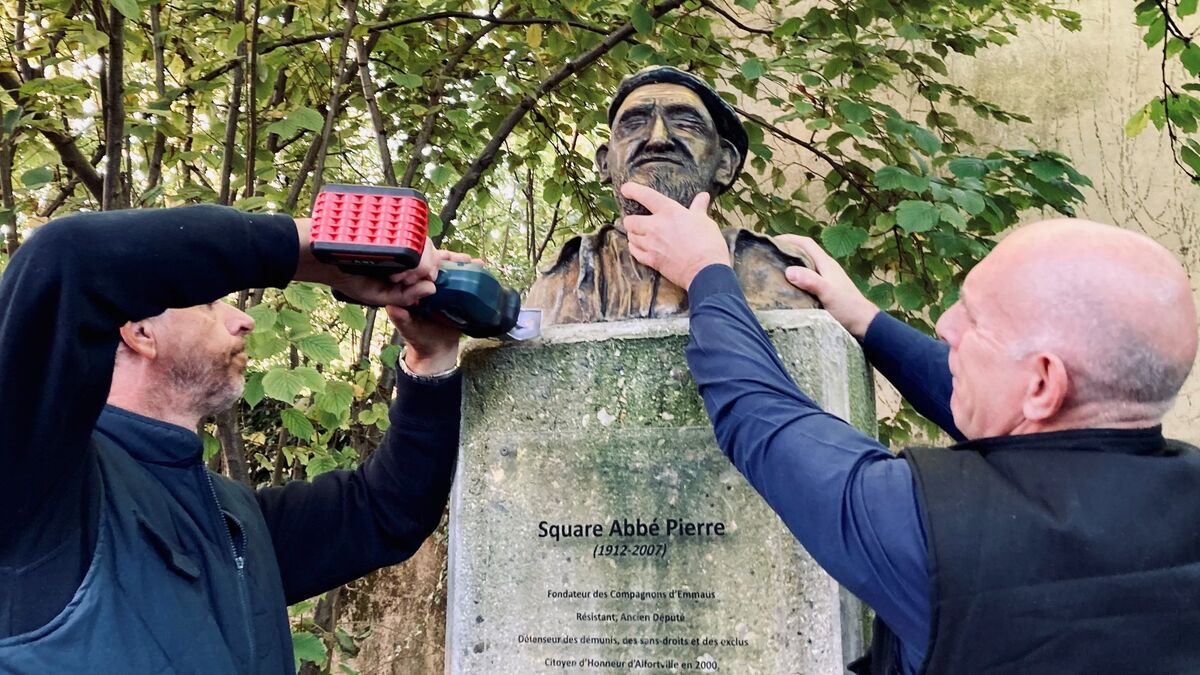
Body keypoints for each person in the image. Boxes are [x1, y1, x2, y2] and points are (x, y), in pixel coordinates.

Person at [618, 181, 1200, 674]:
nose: (947, 325)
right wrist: (865, 320)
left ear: (1044, 383)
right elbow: (1004, 409)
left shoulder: (933, 533)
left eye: (975, 319)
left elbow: (762, 417)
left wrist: (705, 272)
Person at [0, 205, 471, 673]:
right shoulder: (43, 487)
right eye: (209, 302)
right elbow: (68, 260)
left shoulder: (232, 520)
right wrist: (320, 254)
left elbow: (385, 510)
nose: (243, 320)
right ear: (140, 331)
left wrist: (432, 357)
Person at [525, 66, 817, 324]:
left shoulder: (775, 268)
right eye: (634, 124)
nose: (658, 138)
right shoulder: (562, 278)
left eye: (686, 123)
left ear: (725, 163)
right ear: (605, 163)